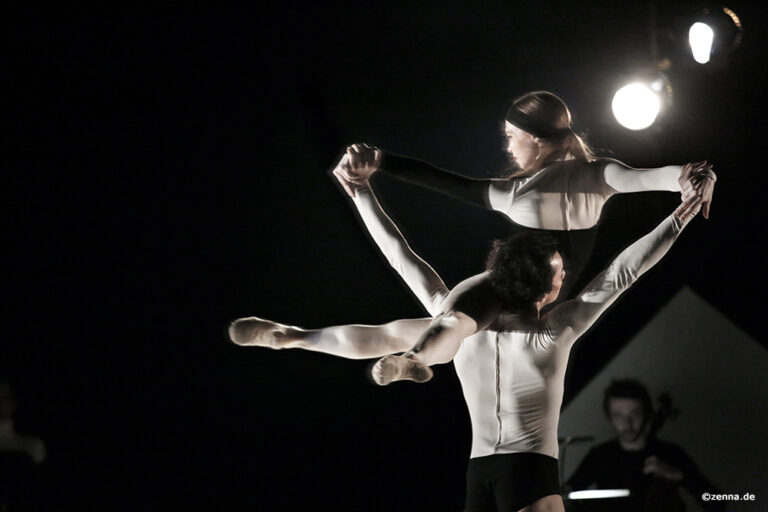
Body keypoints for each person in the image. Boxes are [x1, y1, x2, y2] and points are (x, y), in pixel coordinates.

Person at [229, 154, 706, 511]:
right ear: (541, 287)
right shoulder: (555, 332)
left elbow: (401, 255)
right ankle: (401, 357)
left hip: (480, 472)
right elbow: (625, 271)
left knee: (390, 333)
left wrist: (361, 194)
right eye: (560, 272)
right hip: (529, 471)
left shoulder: (462, 322)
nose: (566, 275)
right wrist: (682, 212)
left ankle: (297, 336)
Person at [335, 90, 716, 303]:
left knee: (422, 297)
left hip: (501, 307)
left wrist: (382, 160)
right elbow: (655, 176)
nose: (508, 147)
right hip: (557, 316)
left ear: (533, 137)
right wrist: (694, 177)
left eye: (511, 136)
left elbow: (445, 182)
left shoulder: (516, 194)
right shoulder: (601, 175)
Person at [565, 379, 724, 512]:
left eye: (635, 414)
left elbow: (717, 502)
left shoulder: (671, 453)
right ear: (609, 417)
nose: (627, 423)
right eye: (618, 415)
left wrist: (680, 475)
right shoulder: (599, 455)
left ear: (647, 414)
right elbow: (567, 496)